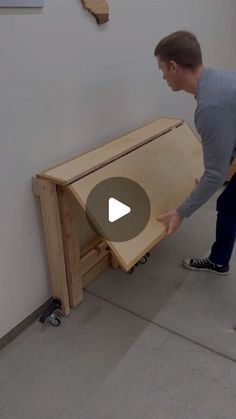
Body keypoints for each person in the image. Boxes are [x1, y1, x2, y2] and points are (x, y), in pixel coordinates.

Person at [154, 30, 236, 275]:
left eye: (162, 70)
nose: (163, 77)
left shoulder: (210, 105)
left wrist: (180, 213)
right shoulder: (220, 79)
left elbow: (215, 175)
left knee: (229, 203)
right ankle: (219, 261)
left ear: (173, 66)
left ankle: (219, 260)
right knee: (229, 203)